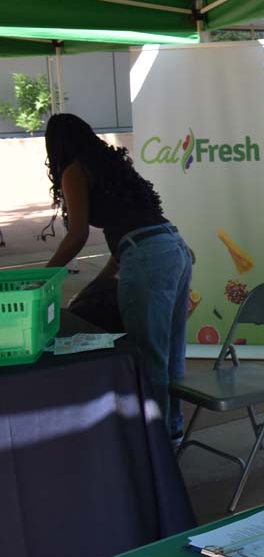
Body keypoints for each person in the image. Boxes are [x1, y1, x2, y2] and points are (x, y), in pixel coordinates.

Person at [44, 113, 192, 443]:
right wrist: (102, 279)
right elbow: (130, 229)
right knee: (171, 354)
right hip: (175, 247)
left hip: (149, 256)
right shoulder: (111, 165)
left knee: (148, 357)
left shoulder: (73, 170)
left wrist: (44, 275)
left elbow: (77, 235)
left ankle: (154, 442)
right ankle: (172, 431)